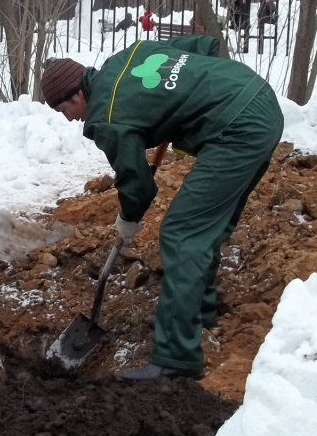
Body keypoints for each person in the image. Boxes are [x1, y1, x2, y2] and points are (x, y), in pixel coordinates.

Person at [41, 35, 283, 381]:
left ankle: (175, 359)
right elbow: (204, 46)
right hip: (258, 98)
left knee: (183, 232)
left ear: (78, 95)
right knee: (206, 223)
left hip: (236, 129)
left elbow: (138, 185)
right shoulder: (132, 54)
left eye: (64, 110)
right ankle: (197, 309)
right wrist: (176, 99)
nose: (68, 119)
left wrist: (127, 218)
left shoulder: (105, 116)